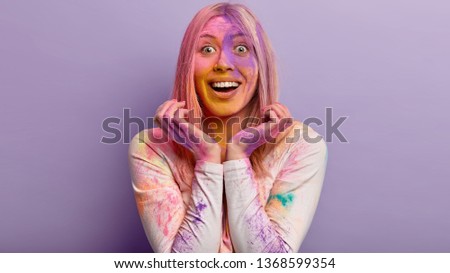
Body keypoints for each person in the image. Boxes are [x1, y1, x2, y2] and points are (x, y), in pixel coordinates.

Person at [128, 2, 327, 253]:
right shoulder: (150, 148)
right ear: (187, 66)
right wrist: (207, 157)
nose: (223, 63)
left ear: (261, 66)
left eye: (242, 48)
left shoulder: (301, 145)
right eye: (207, 48)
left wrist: (238, 157)